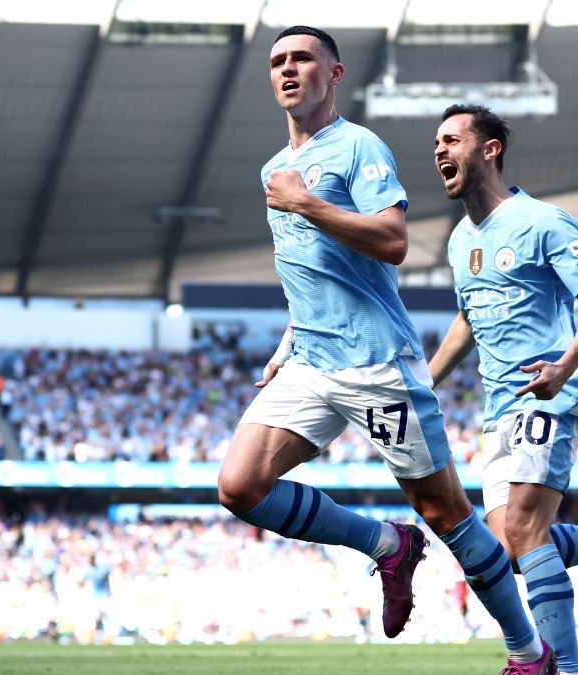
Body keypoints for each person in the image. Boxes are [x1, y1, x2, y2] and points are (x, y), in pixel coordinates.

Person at [216, 27, 553, 673]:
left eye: (303, 59)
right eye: (278, 61)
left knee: (446, 512)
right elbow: (310, 269)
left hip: (375, 363)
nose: (288, 69)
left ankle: (527, 649)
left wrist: (306, 202)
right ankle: (386, 543)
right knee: (240, 486)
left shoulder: (358, 147)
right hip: (310, 361)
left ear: (333, 74)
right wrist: (289, 338)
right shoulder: (273, 169)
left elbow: (393, 241)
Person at [426, 104, 578, 675]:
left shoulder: (543, 221)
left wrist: (563, 368)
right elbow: (468, 319)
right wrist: (425, 381)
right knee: (509, 550)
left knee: (523, 528)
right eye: (436, 143)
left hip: (552, 392)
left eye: (452, 140)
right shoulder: (460, 240)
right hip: (499, 406)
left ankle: (563, 668)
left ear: (490, 149)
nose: (439, 150)